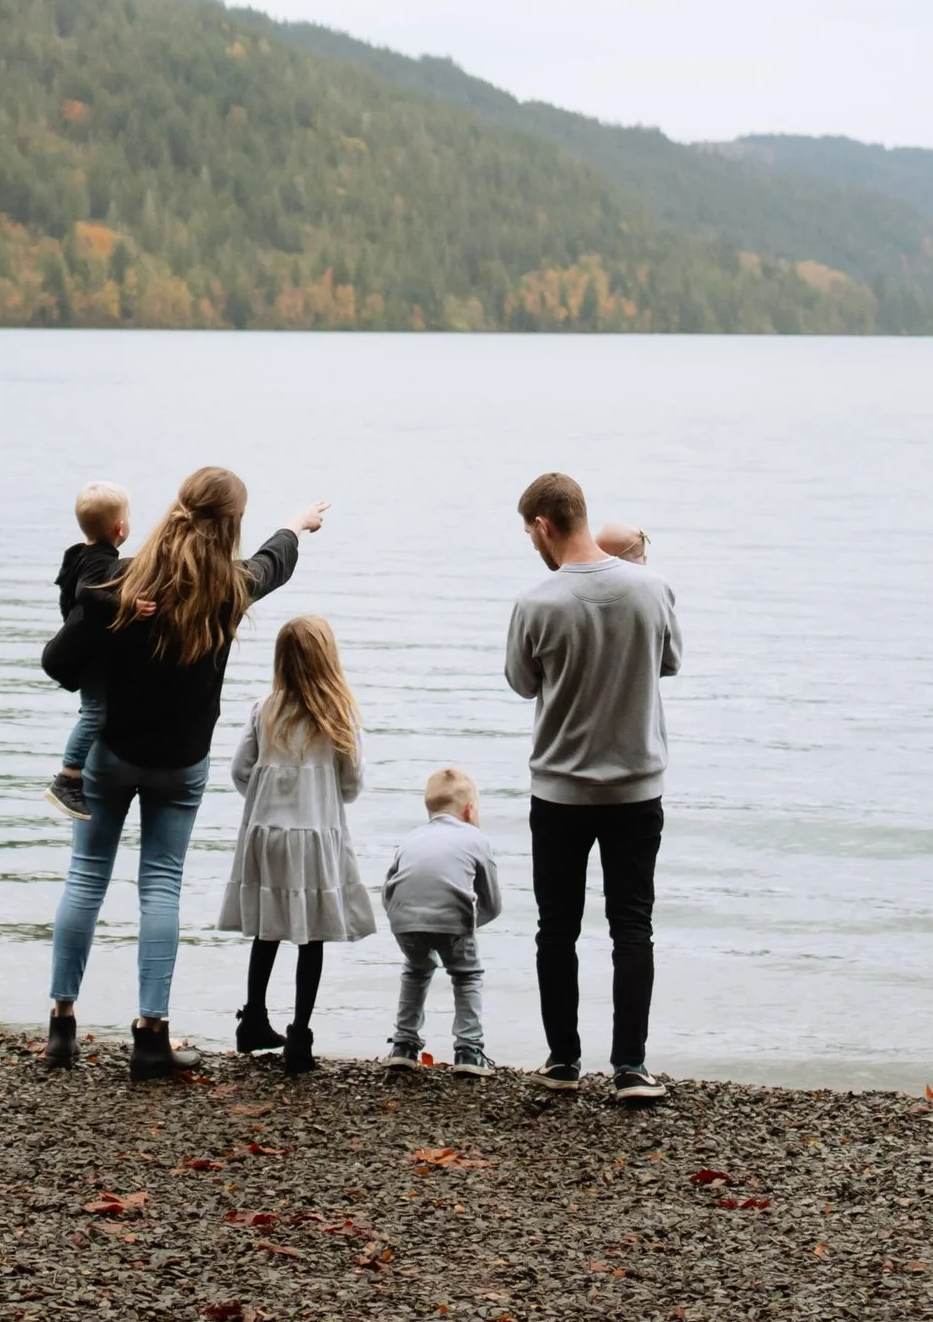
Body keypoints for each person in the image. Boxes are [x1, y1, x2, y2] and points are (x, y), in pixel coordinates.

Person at [41, 464, 328, 1081]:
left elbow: (60, 656)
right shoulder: (231, 586)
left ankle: (62, 1025)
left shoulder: (123, 575)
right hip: (180, 764)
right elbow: (275, 562)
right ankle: (151, 1035)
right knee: (161, 888)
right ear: (231, 525)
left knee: (86, 878)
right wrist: (293, 526)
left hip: (110, 754)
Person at [504, 467, 680, 1104]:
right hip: (637, 785)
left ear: (545, 525)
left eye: (529, 532)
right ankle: (630, 1068)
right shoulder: (652, 587)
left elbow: (523, 683)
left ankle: (563, 1060)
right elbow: (670, 663)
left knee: (558, 927)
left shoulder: (537, 602)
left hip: (560, 789)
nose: (531, 543)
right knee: (632, 926)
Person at [219, 614, 373, 1076]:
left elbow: (239, 771)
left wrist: (267, 802)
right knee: (312, 936)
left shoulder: (264, 709)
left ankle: (253, 1019)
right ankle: (300, 1038)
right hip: (313, 835)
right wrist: (320, 797)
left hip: (265, 833)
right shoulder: (337, 717)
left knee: (268, 928)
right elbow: (352, 782)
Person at [382, 765, 502, 1072]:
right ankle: (469, 1051)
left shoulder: (411, 838)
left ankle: (404, 1045)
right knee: (466, 975)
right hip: (453, 919)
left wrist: (403, 921)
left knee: (416, 970)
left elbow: (389, 888)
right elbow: (492, 902)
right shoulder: (476, 839)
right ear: (470, 809)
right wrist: (468, 925)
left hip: (403, 917)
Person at [45, 482, 131, 816]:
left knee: (94, 710)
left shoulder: (80, 554)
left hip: (81, 649)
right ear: (120, 528)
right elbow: (87, 594)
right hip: (87, 655)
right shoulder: (99, 560)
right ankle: (68, 777)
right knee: (95, 713)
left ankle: (77, 770)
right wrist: (127, 603)